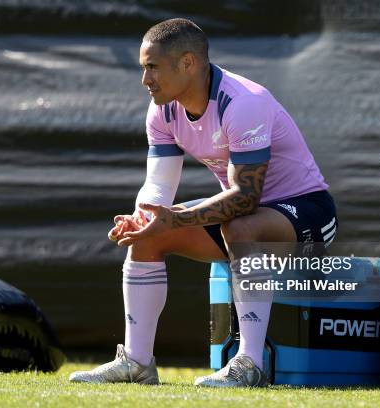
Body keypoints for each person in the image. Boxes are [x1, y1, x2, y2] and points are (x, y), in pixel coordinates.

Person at [69, 18, 336, 388]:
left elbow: (246, 198)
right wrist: (143, 218)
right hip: (243, 215)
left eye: (152, 67)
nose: (146, 80)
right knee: (148, 236)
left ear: (188, 63)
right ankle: (137, 362)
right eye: (143, 68)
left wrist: (176, 219)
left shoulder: (244, 103)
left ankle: (250, 365)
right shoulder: (162, 110)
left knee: (242, 227)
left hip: (308, 213)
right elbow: (158, 186)